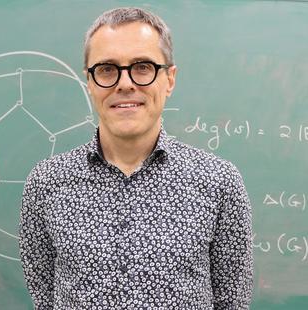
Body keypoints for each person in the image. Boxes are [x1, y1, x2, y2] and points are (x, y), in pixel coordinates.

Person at [19, 7, 253, 309]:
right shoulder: (46, 183)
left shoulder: (219, 182)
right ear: (89, 83)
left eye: (142, 67)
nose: (125, 83)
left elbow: (232, 299)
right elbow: (44, 293)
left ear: (169, 79)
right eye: (106, 69)